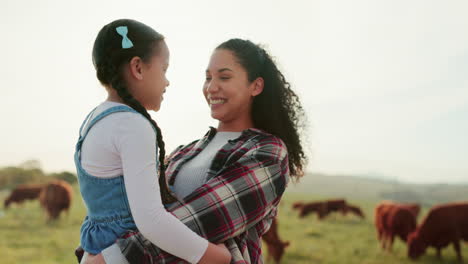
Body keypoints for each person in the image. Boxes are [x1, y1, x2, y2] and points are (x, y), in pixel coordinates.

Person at [84, 38, 307, 264]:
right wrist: (92, 248)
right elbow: (128, 209)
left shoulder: (267, 152)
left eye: (224, 77)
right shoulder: (184, 152)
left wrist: (107, 258)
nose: (211, 87)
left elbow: (199, 221)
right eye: (208, 78)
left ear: (255, 86)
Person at [74, 18, 231, 264]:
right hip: (126, 253)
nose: (167, 81)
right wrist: (212, 256)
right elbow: (151, 220)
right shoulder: (132, 125)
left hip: (98, 247)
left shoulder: (95, 118)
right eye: (164, 69)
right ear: (137, 67)